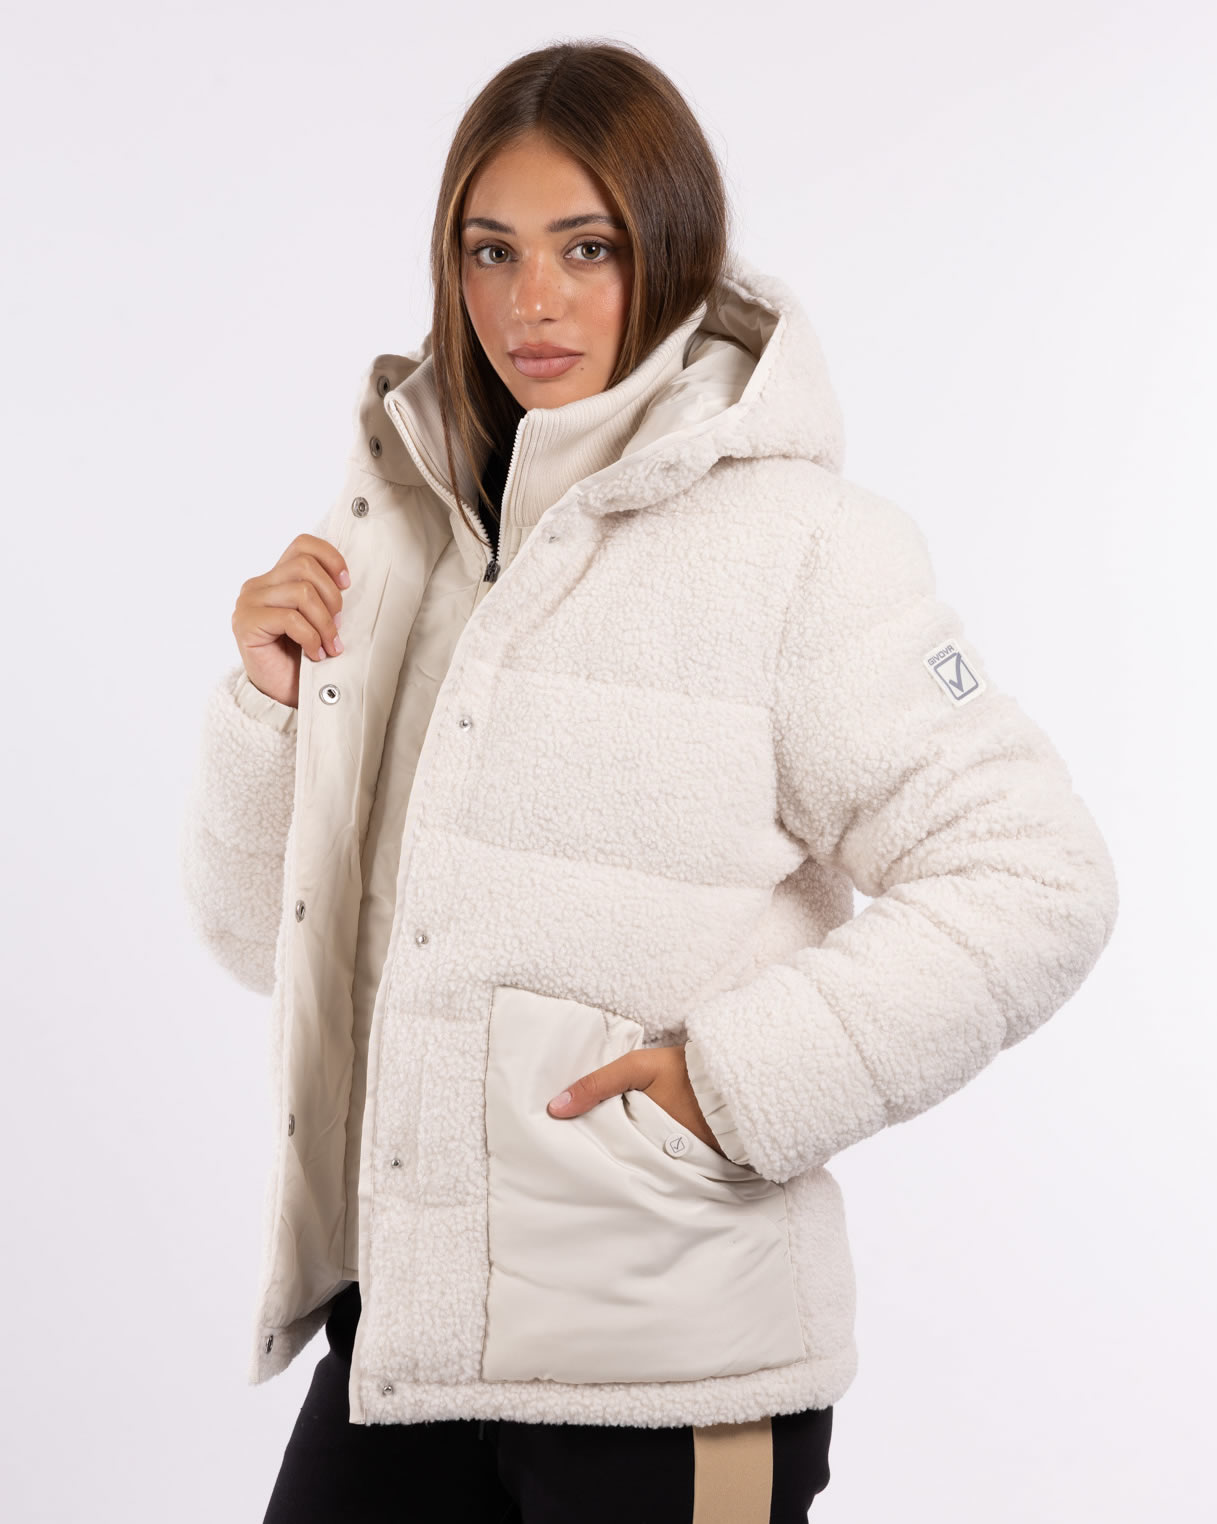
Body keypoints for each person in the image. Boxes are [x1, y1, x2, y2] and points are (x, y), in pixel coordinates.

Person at [178, 38, 1118, 1524]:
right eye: (490, 250)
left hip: (674, 1376)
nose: (530, 303)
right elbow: (260, 946)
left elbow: (1037, 878)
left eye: (587, 248)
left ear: (667, 252)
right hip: (411, 1342)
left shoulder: (803, 547)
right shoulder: (402, 537)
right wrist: (267, 708)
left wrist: (729, 1090)